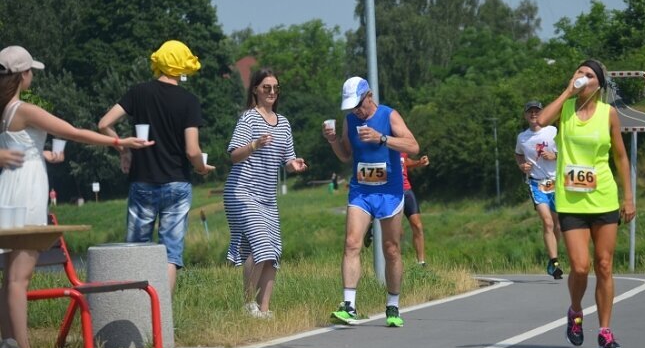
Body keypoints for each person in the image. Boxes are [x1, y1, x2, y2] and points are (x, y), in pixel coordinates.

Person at [0, 45, 151, 348]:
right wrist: (118, 142)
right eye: (30, 72)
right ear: (22, 75)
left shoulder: (4, 112)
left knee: (10, 277)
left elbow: (20, 151)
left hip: (9, 189)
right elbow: (73, 132)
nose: (32, 77)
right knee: (18, 278)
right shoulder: (24, 110)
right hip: (26, 193)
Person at [98, 40, 213, 295]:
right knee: (171, 253)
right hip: (176, 184)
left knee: (137, 250)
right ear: (182, 66)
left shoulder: (139, 92)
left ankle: (137, 313)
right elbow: (192, 150)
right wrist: (201, 167)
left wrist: (124, 150)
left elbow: (104, 123)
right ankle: (161, 316)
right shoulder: (189, 101)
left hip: (142, 183)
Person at [537, 59, 636, 348]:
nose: (582, 76)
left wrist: (628, 197)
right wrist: (567, 92)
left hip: (603, 197)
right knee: (580, 267)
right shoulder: (565, 109)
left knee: (604, 265)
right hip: (570, 200)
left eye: (589, 74)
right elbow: (541, 120)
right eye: (579, 71)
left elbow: (620, 157)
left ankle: (605, 330)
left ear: (599, 84)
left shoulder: (609, 114)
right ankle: (576, 312)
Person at [323, 76, 419, 327]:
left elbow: (413, 146)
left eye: (359, 104)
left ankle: (393, 305)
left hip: (389, 192)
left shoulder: (389, 116)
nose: (356, 110)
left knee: (391, 249)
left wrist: (382, 138)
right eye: (352, 106)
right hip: (361, 192)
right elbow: (346, 155)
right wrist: (333, 140)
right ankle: (349, 305)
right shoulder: (350, 120)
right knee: (351, 243)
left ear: (369, 96)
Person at [223, 68, 307, 319]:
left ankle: (264, 310)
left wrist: (295, 165)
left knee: (274, 251)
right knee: (262, 246)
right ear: (255, 91)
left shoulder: (284, 123)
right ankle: (248, 305)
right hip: (242, 191)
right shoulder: (249, 119)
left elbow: (288, 159)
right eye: (266, 88)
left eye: (275, 88)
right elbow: (234, 154)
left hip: (267, 198)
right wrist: (255, 144)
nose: (272, 92)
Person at [514, 100, 563, 280]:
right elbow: (518, 154)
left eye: (537, 111)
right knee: (547, 222)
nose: (534, 115)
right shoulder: (522, 137)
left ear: (542, 113)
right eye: (530, 112)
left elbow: (567, 150)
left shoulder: (553, 131)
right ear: (526, 115)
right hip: (537, 183)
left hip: (557, 182)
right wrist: (522, 165)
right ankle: (555, 261)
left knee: (558, 224)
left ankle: (552, 258)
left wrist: (554, 155)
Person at [400, 152, 429, 266]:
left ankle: (421, 262)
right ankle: (395, 262)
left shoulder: (400, 144)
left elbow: (405, 161)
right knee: (398, 232)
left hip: (406, 190)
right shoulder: (383, 145)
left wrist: (418, 162)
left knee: (417, 225)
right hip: (392, 193)